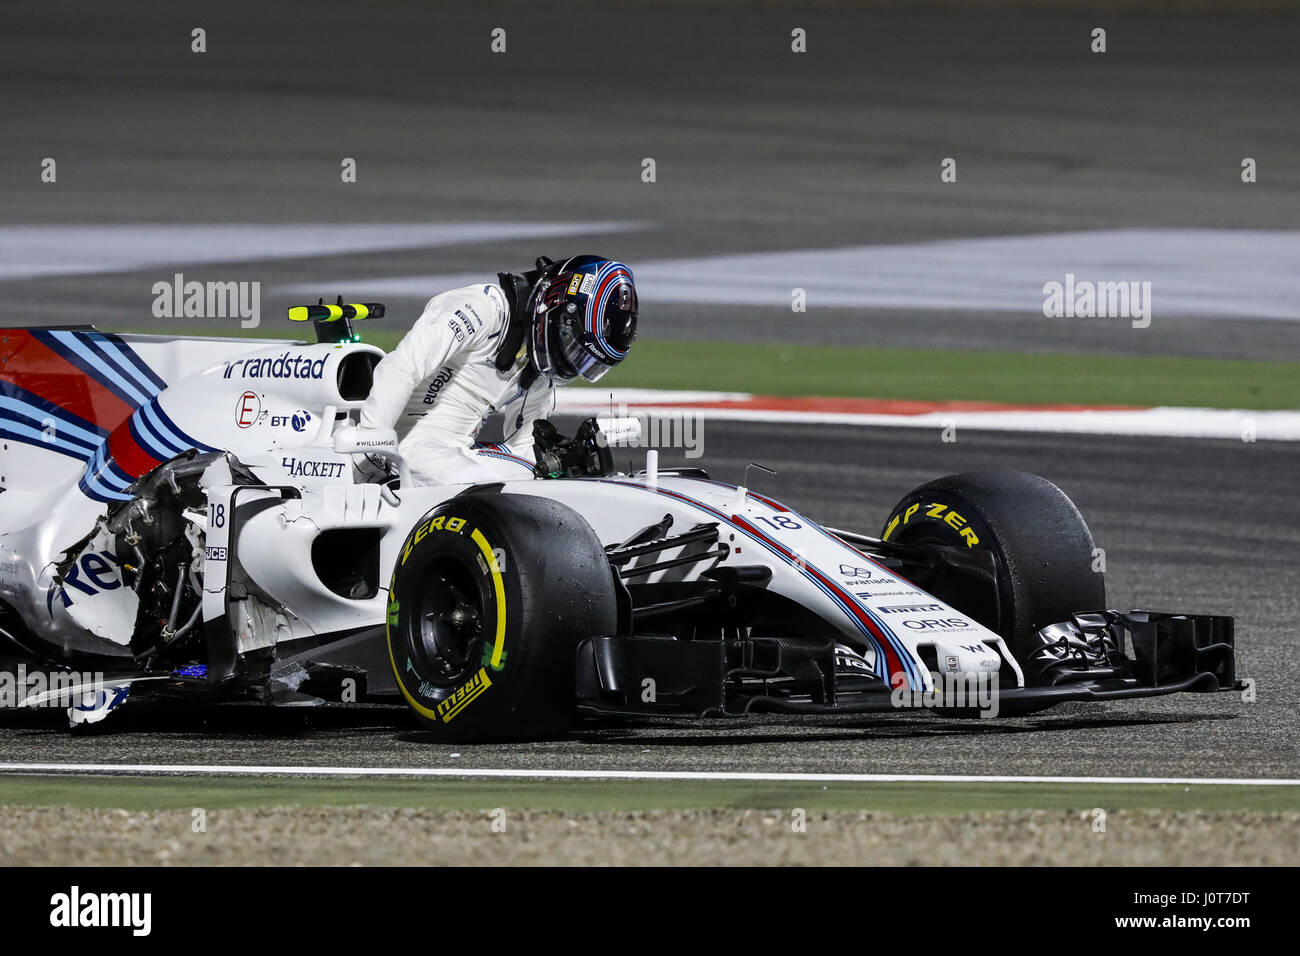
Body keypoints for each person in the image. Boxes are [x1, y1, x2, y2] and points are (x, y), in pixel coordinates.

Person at [341, 255, 637, 485]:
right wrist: (370, 444)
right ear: (556, 309)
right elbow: (403, 366)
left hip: (458, 450)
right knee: (483, 493)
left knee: (540, 490)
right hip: (404, 445)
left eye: (584, 361)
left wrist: (561, 464)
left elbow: (522, 445)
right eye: (573, 348)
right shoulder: (481, 309)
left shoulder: (539, 360)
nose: (572, 363)